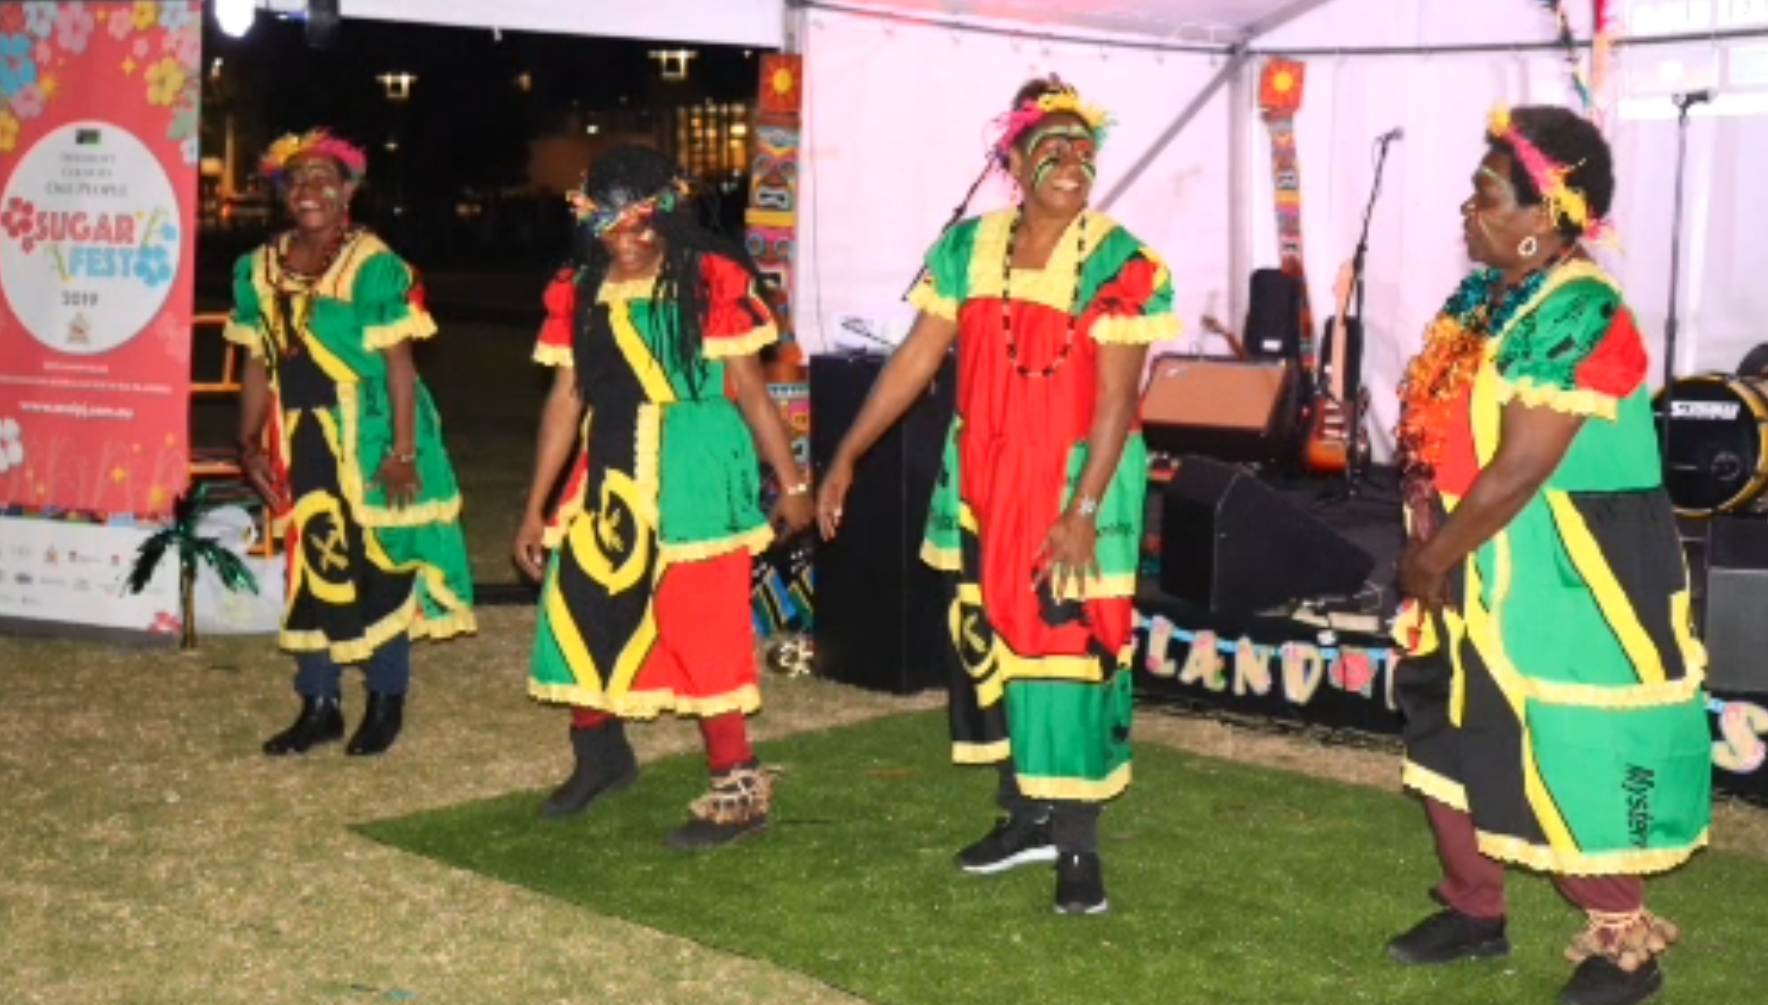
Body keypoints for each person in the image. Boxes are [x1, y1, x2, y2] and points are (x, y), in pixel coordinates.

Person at [816, 76, 1177, 914]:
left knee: (1070, 651)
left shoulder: (1124, 262)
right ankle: (1025, 815)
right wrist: (846, 453)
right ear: (1013, 159)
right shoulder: (969, 248)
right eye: (1052, 148)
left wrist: (1082, 512)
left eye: (1085, 152)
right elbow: (914, 359)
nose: (1071, 163)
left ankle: (1078, 845)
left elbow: (1119, 401)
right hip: (982, 478)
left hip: (1078, 482)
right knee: (996, 645)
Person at [1387, 105, 1710, 1005]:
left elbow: (1522, 465)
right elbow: (1442, 434)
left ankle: (1626, 946)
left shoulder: (1584, 313)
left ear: (1545, 216)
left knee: (1575, 742)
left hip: (1571, 569)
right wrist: (1426, 530)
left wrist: (1429, 558)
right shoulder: (1487, 300)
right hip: (1473, 553)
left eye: (1485, 193)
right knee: (1449, 725)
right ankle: (1474, 909)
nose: (1467, 206)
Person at [515, 145, 812, 849]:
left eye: (643, 221)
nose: (629, 237)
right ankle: (600, 755)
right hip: (610, 462)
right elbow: (566, 399)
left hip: (696, 462)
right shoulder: (579, 286)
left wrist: (793, 482)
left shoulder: (710, 277)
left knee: (699, 617)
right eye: (612, 223)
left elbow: (753, 391)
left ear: (669, 215)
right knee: (582, 595)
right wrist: (535, 505)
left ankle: (738, 787)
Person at [225, 129, 476, 757]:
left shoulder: (372, 264)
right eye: (296, 181)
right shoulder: (258, 268)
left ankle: (386, 698)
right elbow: (258, 360)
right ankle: (319, 702)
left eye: (322, 180)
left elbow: (399, 367)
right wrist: (248, 442)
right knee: (313, 562)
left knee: (378, 559)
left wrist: (402, 451)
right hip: (300, 433)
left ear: (348, 192)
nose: (308, 191)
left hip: (368, 433)